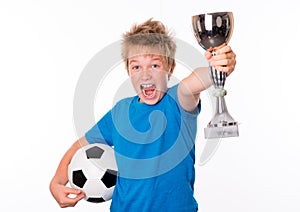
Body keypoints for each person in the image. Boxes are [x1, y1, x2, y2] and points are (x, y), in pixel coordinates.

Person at [49, 18, 236, 211]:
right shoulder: (120, 111)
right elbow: (80, 145)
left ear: (170, 69)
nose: (145, 75)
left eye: (155, 65)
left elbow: (196, 81)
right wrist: (56, 182)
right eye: (136, 66)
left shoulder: (177, 101)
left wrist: (218, 67)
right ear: (128, 71)